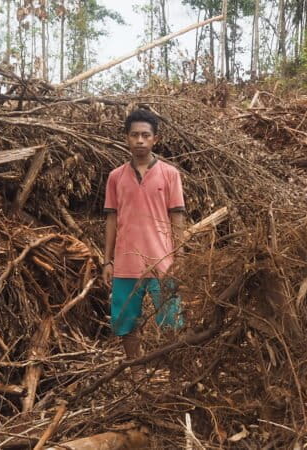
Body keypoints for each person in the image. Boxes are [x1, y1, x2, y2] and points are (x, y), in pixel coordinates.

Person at [102, 108, 187, 360]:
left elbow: (177, 217)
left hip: (163, 262)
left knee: (170, 318)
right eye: (134, 135)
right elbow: (111, 219)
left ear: (155, 139)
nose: (140, 140)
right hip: (126, 262)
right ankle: (134, 369)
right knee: (125, 319)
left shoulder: (170, 174)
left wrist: (179, 257)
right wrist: (107, 261)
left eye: (145, 135)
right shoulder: (115, 177)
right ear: (126, 138)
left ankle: (171, 370)